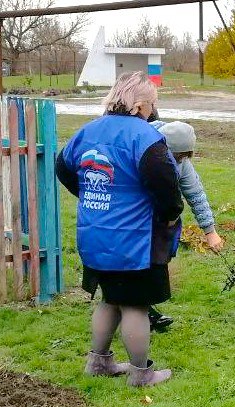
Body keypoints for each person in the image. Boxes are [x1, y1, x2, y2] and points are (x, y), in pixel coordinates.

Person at [57, 71, 182, 387]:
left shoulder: (88, 131)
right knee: (135, 305)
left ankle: (98, 362)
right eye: (152, 103)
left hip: (95, 233)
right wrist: (169, 217)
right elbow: (167, 187)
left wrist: (92, 195)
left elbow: (64, 167)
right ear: (140, 104)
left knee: (110, 298)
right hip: (132, 238)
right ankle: (142, 374)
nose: (154, 109)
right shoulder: (145, 138)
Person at [141, 120, 226, 331]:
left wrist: (210, 232)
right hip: (134, 217)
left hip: (161, 219)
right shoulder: (144, 149)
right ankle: (139, 312)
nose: (179, 160)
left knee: (155, 261)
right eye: (177, 156)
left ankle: (143, 309)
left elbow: (196, 195)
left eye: (183, 157)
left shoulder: (182, 163)